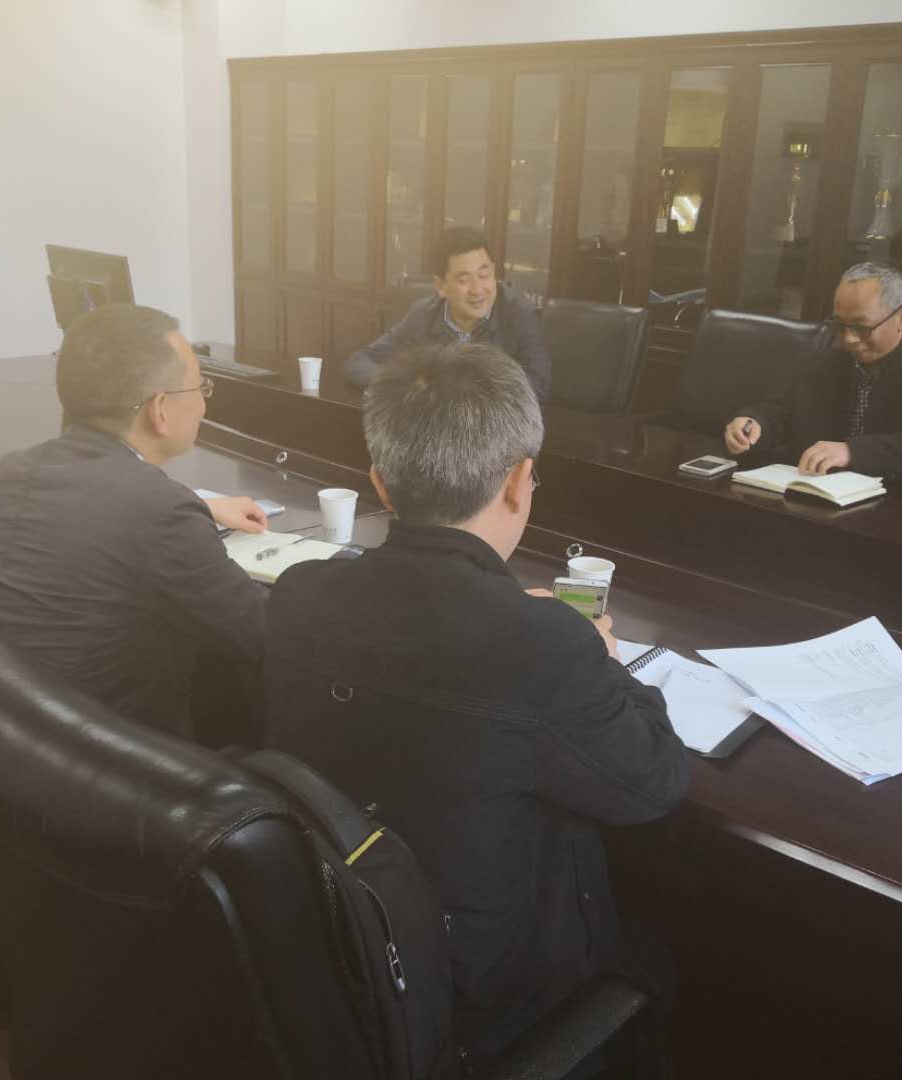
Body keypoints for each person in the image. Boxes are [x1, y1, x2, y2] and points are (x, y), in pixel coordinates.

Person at [264, 342, 689, 1069]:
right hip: (478, 1012)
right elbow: (657, 780)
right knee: (659, 963)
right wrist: (604, 659)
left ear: (380, 485)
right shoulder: (544, 645)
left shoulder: (299, 594)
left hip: (343, 961)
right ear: (520, 482)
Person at [0, 304, 269, 742]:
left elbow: (95, 510)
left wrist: (199, 505)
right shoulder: (160, 512)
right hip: (107, 758)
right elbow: (261, 635)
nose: (203, 402)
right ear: (160, 410)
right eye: (201, 386)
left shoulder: (1, 473)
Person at [724, 262, 902, 490]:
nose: (849, 339)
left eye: (862, 327)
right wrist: (754, 424)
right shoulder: (824, 362)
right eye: (840, 325)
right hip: (821, 498)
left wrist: (853, 452)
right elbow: (782, 410)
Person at [345, 226, 553, 401]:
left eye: (484, 275)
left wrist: (469, 395)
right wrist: (402, 384)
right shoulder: (423, 314)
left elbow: (539, 384)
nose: (477, 289)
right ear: (441, 286)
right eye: (464, 279)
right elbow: (360, 361)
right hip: (434, 424)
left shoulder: (519, 314)